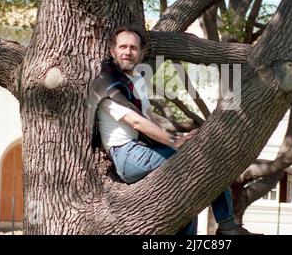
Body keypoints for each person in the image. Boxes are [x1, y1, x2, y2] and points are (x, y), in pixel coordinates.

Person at [88, 26, 255, 235]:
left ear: (140, 53)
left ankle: (219, 226)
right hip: (127, 156)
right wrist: (173, 140)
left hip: (141, 150)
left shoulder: (136, 81)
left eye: (133, 48)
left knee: (186, 200)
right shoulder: (107, 84)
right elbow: (136, 122)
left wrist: (184, 137)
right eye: (122, 47)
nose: (127, 52)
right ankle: (227, 224)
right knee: (203, 162)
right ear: (113, 51)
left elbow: (148, 118)